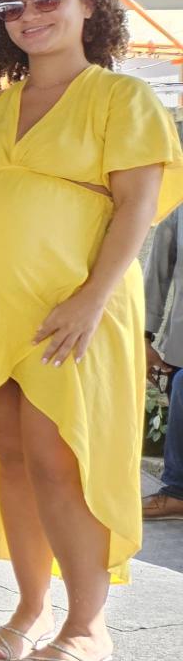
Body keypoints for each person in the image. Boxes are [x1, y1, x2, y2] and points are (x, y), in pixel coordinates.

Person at [0, 0, 183, 661]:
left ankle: (89, 627)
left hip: (67, 309)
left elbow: (137, 208)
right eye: (12, 7)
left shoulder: (120, 97)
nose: (30, 15)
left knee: (60, 458)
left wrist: (91, 299)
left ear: (90, 6)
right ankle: (28, 610)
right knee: (13, 458)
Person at [143, 201, 183, 522]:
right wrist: (144, 335)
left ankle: (176, 489)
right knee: (180, 383)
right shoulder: (179, 213)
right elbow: (156, 273)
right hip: (181, 347)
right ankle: (176, 491)